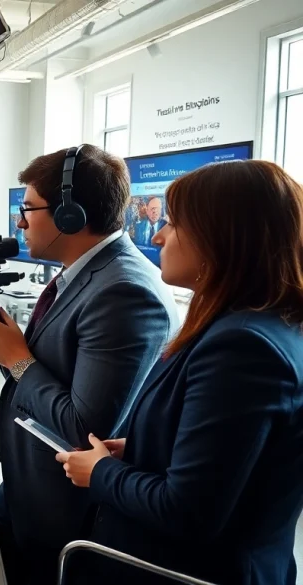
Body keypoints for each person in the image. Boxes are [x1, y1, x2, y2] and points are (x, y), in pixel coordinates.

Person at [56, 160, 303, 585]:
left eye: (172, 223)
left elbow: (189, 511)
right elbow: (236, 459)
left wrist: (100, 472)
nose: (157, 235)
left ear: (221, 237)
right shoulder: (263, 326)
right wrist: (146, 447)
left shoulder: (242, 348)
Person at [0, 144, 178, 585]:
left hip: (62, 514)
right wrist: (11, 356)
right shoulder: (81, 272)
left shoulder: (124, 292)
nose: (19, 221)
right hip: (24, 489)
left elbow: (83, 426)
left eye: (28, 209)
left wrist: (18, 359)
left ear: (70, 214)